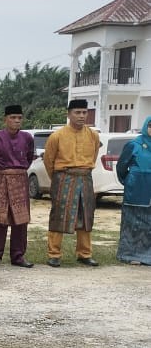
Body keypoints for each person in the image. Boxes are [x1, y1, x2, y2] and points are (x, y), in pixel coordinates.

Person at [43, 98, 102, 267]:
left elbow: (94, 155)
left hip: (85, 178)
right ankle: (54, 254)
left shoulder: (93, 135)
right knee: (58, 215)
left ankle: (84, 253)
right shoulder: (57, 136)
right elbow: (49, 161)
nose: (81, 116)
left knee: (86, 215)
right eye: (77, 113)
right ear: (69, 114)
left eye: (84, 112)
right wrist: (58, 180)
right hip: (63, 178)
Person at [0, 105, 35, 269]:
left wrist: (17, 172)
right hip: (0, 178)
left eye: (19, 118)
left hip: (20, 179)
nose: (16, 121)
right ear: (5, 119)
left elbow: (29, 157)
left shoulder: (27, 138)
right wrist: (0, 174)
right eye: (13, 117)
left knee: (20, 219)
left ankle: (18, 255)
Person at [116, 116, 151, 265]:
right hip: (137, 189)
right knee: (134, 223)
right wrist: (129, 181)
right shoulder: (134, 144)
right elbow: (121, 166)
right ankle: (130, 254)